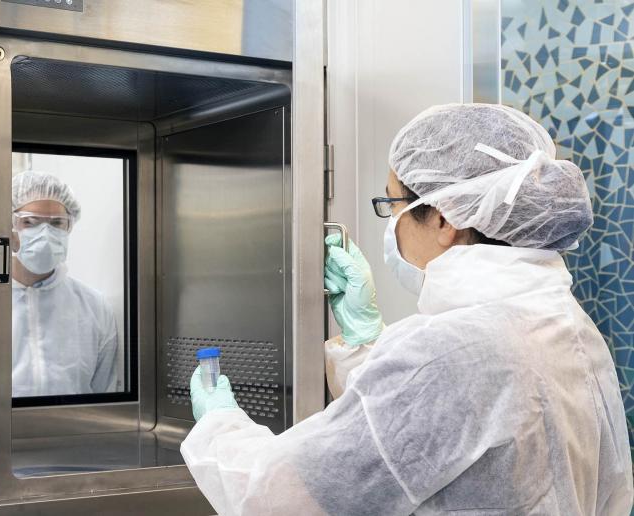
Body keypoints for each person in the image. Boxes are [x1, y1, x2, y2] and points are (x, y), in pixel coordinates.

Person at [180, 104, 633, 515]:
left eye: (392, 203)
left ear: (444, 219)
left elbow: (275, 499)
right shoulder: (566, 324)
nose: (391, 222)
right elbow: (416, 438)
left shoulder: (449, 353)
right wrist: (363, 343)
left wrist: (220, 425)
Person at [11, 171, 119, 397]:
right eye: (30, 222)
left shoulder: (94, 308)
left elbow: (103, 395)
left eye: (56, 223)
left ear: (69, 226)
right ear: (10, 227)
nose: (45, 234)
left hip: (74, 422)